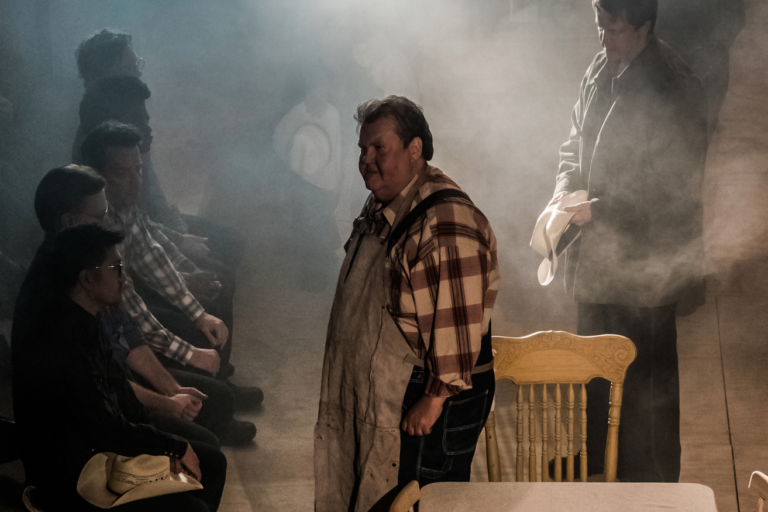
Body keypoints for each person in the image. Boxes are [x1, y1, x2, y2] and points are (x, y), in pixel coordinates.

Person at [547, 0, 708, 482]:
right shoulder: (601, 67)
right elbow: (573, 143)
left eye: (614, 30)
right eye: (599, 27)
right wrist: (564, 188)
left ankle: (652, 483)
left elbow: (673, 186)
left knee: (645, 385)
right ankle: (597, 455)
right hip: (597, 261)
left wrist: (600, 209)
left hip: (649, 272)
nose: (604, 40)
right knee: (595, 365)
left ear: (645, 28)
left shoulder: (675, 86)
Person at [314, 96, 500, 511]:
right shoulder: (387, 204)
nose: (366, 159)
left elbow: (458, 325)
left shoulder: (446, 222)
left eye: (378, 147)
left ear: (415, 149)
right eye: (362, 148)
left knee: (416, 505)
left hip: (427, 402)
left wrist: (432, 401)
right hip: (384, 393)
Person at [16, 164, 256, 446]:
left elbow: (125, 330)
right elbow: (108, 387)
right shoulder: (58, 292)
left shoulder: (90, 257)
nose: (107, 223)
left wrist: (172, 389)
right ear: (68, 221)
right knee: (205, 448)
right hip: (90, 422)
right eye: (100, 216)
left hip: (116, 382)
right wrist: (168, 404)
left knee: (216, 399)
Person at [12, 224, 226, 511]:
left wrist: (161, 436)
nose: (124, 278)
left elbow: (117, 385)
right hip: (73, 474)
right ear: (87, 278)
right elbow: (106, 428)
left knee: (211, 462)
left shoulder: (88, 317)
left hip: (98, 447)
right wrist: (172, 447)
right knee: (191, 504)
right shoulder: (60, 340)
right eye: (116, 269)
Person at [79, 122, 263, 407]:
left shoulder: (124, 203)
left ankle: (219, 384)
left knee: (208, 308)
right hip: (117, 329)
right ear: (98, 175)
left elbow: (150, 255)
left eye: (139, 170)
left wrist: (197, 310)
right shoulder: (94, 224)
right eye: (122, 174)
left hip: (131, 304)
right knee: (194, 334)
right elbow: (127, 308)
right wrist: (189, 351)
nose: (136, 182)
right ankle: (214, 396)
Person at [73, 28, 244, 268]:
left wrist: (176, 226)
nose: (138, 73)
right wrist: (177, 240)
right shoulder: (96, 148)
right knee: (218, 269)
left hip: (155, 226)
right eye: (130, 67)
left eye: (138, 65)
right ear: (106, 73)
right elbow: (127, 225)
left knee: (229, 240)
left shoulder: (130, 124)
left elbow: (152, 191)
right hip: (132, 247)